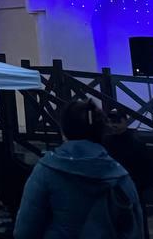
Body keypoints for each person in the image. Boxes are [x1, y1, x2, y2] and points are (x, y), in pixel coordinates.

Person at [14, 98, 142, 239]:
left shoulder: (46, 171)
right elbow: (134, 230)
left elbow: (24, 232)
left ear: (65, 130)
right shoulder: (120, 176)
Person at [103, 109, 153, 239]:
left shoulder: (106, 143)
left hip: (120, 193)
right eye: (111, 122)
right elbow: (149, 173)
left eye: (116, 121)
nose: (113, 125)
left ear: (125, 121)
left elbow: (148, 172)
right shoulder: (135, 143)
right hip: (129, 193)